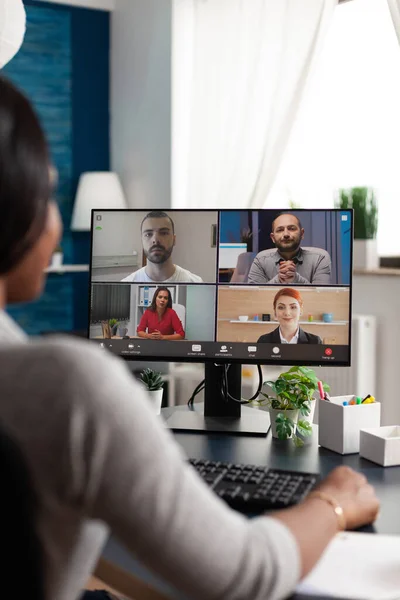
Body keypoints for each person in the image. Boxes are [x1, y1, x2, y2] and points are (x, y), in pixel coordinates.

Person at [0, 75, 380, 600]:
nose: (55, 221)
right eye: (45, 193)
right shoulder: (68, 387)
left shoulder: (202, 289)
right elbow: (243, 575)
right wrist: (334, 502)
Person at [247, 213, 332, 285]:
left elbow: (321, 296)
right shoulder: (260, 260)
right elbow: (254, 297)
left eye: (291, 228)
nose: (286, 234)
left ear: (302, 234)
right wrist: (279, 279)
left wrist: (296, 278)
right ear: (272, 238)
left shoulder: (320, 258)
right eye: (280, 230)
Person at [121, 210, 203, 283]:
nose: (156, 240)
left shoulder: (196, 283)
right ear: (141, 240)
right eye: (148, 234)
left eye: (164, 233)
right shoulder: (127, 284)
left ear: (174, 239)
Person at [257, 288, 322, 344]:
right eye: (281, 307)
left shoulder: (315, 342)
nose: (287, 313)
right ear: (275, 312)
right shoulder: (263, 341)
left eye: (293, 307)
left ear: (301, 311)